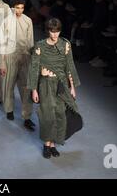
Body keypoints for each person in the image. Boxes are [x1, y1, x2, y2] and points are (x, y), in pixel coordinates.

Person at [27, 18, 82, 159]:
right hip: (45, 84)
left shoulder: (65, 45)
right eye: (52, 31)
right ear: (48, 31)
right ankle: (46, 144)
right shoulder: (40, 46)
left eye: (57, 31)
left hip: (61, 83)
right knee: (47, 114)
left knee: (60, 113)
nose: (55, 34)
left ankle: (53, 144)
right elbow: (34, 69)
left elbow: (69, 65)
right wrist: (34, 89)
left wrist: (72, 87)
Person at [0, 0, 35, 130]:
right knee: (8, 84)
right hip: (9, 56)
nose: (19, 10)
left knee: (26, 87)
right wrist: (1, 63)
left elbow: (31, 41)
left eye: (22, 8)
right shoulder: (6, 22)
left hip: (25, 56)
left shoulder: (28, 21)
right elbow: (2, 43)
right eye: (17, 8)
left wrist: (33, 60)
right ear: (12, 8)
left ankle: (27, 116)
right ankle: (9, 110)